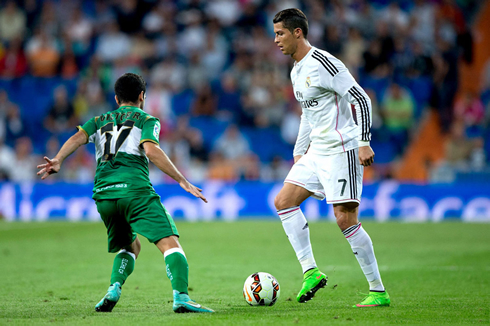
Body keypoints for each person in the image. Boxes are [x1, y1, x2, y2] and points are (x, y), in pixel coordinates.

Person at [36, 73, 214, 314]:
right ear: (142, 96)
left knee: (131, 247)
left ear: (116, 98)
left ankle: (114, 289)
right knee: (170, 243)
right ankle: (182, 297)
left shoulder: (99, 120)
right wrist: (182, 179)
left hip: (104, 194)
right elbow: (151, 150)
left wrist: (58, 159)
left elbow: (78, 137)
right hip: (134, 190)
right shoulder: (148, 120)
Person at [272, 9, 390, 308]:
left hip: (342, 148)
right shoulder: (296, 69)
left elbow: (361, 98)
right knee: (284, 201)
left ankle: (378, 291)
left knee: (345, 218)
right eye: (275, 34)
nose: (276, 40)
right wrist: (299, 151)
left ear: (298, 32)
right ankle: (311, 272)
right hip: (316, 152)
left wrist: (364, 142)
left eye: (281, 33)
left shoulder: (324, 63)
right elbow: (308, 114)